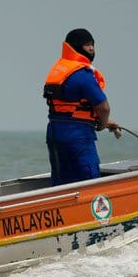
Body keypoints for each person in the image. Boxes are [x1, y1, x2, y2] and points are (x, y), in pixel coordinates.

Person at [43, 28, 120, 186]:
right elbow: (104, 107)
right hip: (77, 135)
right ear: (76, 46)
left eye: (92, 44)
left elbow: (69, 109)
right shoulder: (82, 74)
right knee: (89, 179)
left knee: (62, 181)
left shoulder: (59, 70)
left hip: (55, 133)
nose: (91, 48)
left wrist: (105, 122)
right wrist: (102, 124)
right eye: (87, 45)